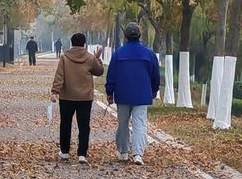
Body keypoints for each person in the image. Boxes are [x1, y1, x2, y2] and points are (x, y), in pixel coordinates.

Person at [106, 21, 160, 165]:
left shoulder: (118, 54)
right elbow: (155, 75)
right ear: (140, 35)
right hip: (142, 95)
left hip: (123, 94)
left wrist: (109, 92)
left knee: (123, 123)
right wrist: (154, 91)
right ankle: (138, 154)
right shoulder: (149, 54)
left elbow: (111, 75)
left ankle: (123, 152)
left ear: (126, 36)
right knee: (140, 124)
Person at [50, 32, 104, 163]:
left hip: (67, 96)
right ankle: (82, 154)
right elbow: (99, 71)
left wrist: (55, 91)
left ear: (72, 43)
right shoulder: (90, 58)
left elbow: (59, 76)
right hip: (85, 98)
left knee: (65, 124)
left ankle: (64, 152)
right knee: (84, 126)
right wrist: (97, 58)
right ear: (84, 43)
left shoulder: (65, 58)